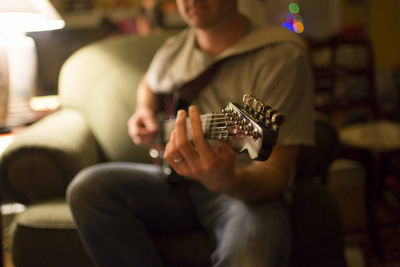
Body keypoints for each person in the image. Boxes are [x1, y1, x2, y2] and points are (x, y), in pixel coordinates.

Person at [67, 0, 315, 266]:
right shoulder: (173, 50)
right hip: (174, 183)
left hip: (243, 191)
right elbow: (148, 84)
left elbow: (277, 172)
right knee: (88, 188)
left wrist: (227, 179)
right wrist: (144, 110)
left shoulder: (281, 56)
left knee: (250, 258)